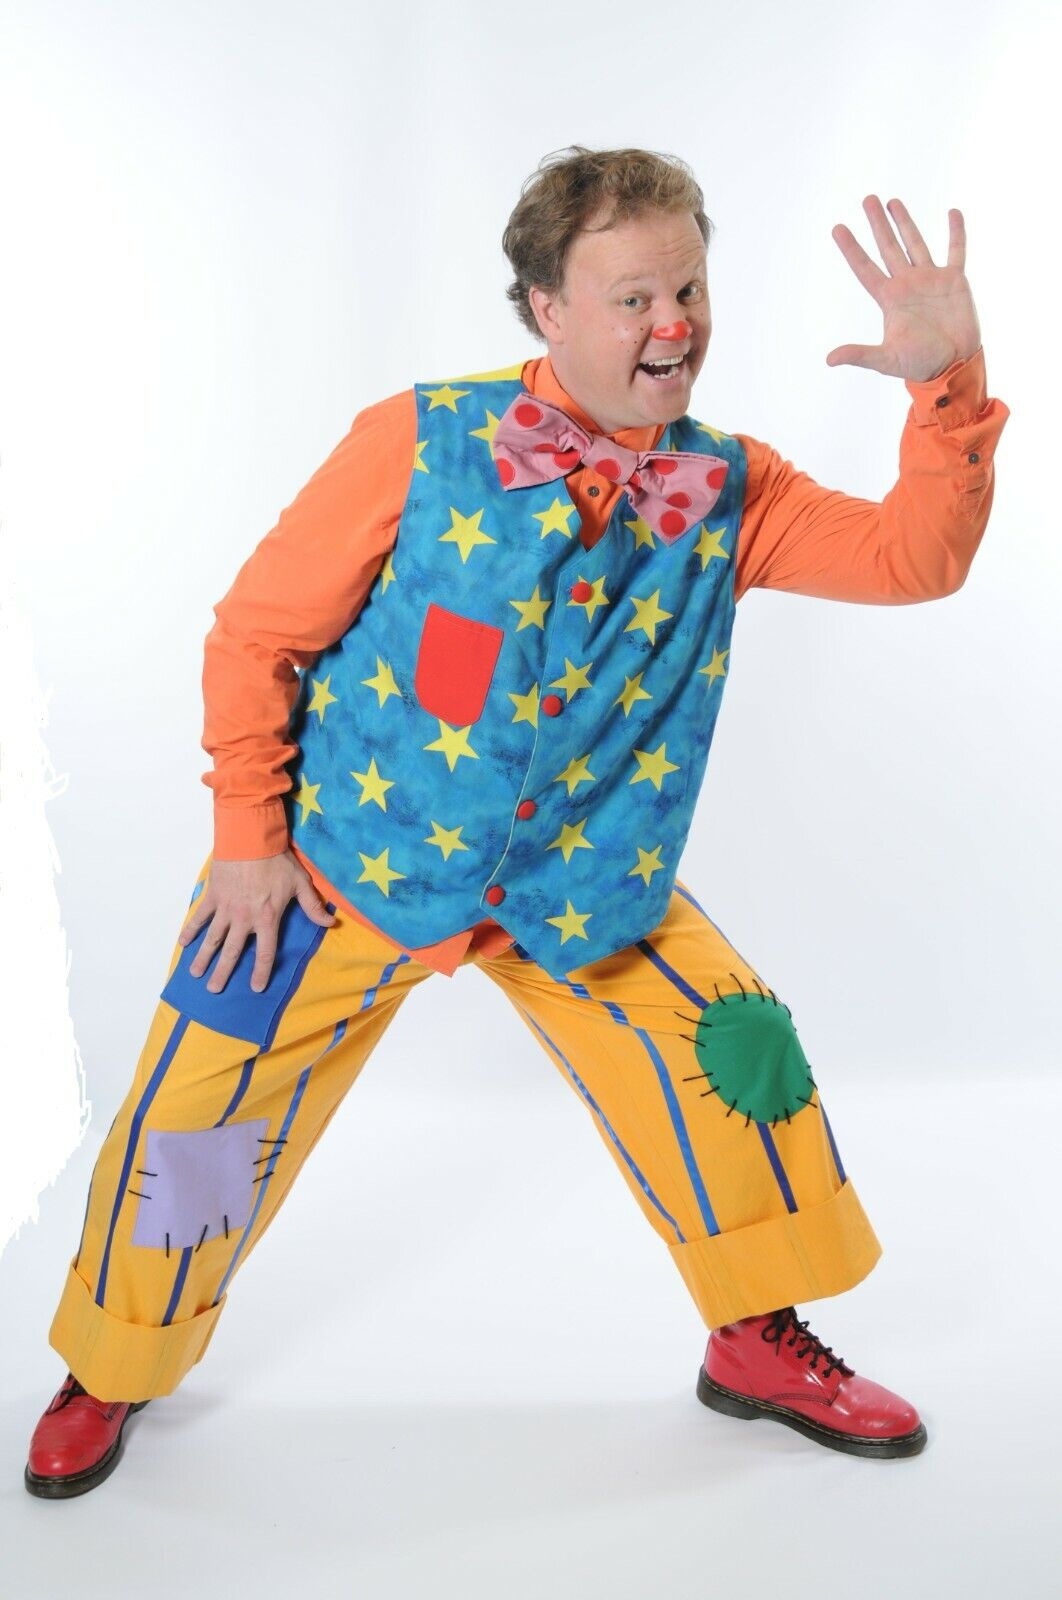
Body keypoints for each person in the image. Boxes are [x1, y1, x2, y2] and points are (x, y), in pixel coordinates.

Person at [25, 145, 1009, 1497]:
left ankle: (753, 1338)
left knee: (740, 1054)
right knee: (189, 1120)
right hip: (342, 869)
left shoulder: (735, 488)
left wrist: (946, 388)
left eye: (688, 290)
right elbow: (255, 634)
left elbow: (917, 560)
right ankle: (113, 1363)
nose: (674, 326)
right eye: (632, 298)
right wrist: (247, 841)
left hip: (586, 885)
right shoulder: (418, 437)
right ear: (545, 307)